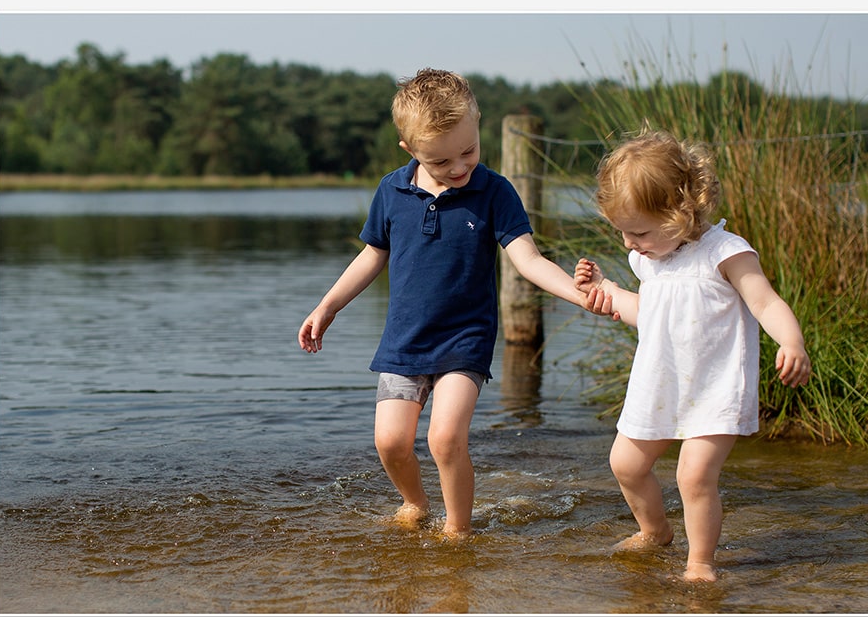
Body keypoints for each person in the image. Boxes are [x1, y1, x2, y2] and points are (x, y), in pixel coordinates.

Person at [299, 68, 605, 540]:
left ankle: (458, 533)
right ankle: (416, 504)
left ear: (478, 127)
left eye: (469, 151)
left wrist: (577, 292)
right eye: (442, 162)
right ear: (410, 150)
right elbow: (371, 256)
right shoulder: (391, 191)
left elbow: (527, 260)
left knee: (444, 438)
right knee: (391, 442)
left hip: (465, 339)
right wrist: (328, 306)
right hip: (404, 340)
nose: (460, 167)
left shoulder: (494, 192)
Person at [574, 128, 811, 582]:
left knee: (693, 476)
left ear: (679, 212)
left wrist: (791, 341)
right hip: (659, 383)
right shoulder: (650, 258)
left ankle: (700, 562)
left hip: (713, 387)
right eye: (621, 232)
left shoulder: (724, 252)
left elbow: (765, 303)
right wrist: (605, 290)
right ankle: (655, 530)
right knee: (625, 463)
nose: (628, 244)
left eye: (638, 231)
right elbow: (650, 314)